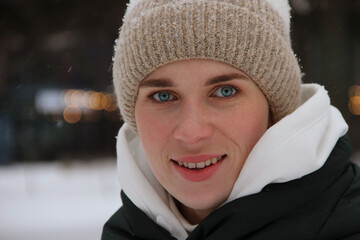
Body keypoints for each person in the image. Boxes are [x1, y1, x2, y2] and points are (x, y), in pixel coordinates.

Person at [102, 0, 360, 239]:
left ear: (274, 107)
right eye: (163, 96)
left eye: (225, 91)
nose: (192, 132)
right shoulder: (124, 233)